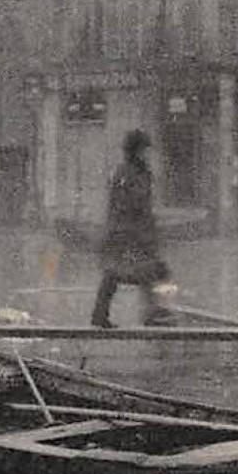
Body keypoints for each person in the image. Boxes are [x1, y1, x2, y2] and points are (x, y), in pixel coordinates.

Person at [90, 129, 173, 328]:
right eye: (145, 150)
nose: (147, 154)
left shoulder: (129, 172)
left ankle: (101, 315)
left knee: (115, 274)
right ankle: (153, 313)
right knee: (148, 271)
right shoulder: (131, 174)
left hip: (124, 233)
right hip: (130, 234)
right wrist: (142, 231)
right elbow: (133, 205)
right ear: (136, 150)